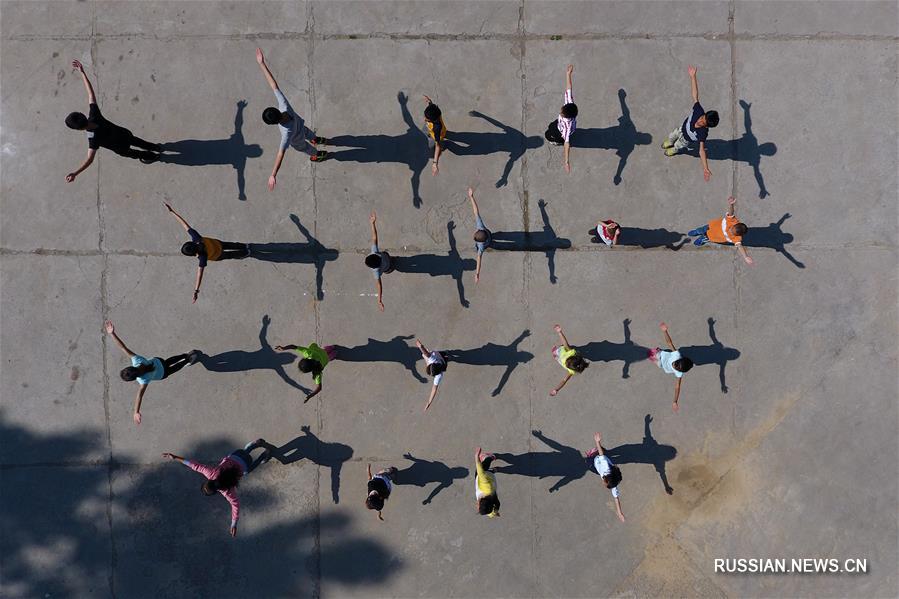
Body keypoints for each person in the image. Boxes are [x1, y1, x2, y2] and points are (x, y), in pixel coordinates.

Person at [65, 59, 160, 182]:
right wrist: (82, 72)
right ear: (83, 115)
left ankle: (152, 156)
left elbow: (89, 160)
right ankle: (156, 147)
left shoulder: (93, 139)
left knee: (136, 154)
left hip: (121, 148)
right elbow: (90, 94)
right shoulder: (95, 115)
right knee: (139, 142)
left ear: (78, 129)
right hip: (125, 134)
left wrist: (75, 173)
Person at [161, 439, 269, 538]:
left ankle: (263, 456)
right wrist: (175, 457)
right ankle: (254, 444)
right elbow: (194, 465)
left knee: (246, 471)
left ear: (216, 491)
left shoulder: (227, 491)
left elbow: (235, 506)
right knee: (245, 451)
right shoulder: (210, 472)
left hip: (246, 464)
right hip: (237, 455)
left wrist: (234, 524)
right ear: (209, 481)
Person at [255, 47, 327, 192]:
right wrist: (262, 64)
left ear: (273, 123)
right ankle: (316, 139)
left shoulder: (285, 133)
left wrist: (273, 174)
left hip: (297, 140)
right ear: (276, 109)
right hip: (303, 128)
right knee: (310, 134)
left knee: (307, 149)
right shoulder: (284, 106)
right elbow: (273, 84)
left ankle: (317, 155)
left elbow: (280, 154)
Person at [104, 320, 198, 425]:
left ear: (134, 378)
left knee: (175, 367)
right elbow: (123, 347)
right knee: (169, 361)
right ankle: (185, 355)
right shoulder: (137, 360)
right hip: (159, 361)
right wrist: (112, 334)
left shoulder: (143, 380)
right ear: (130, 367)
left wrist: (136, 412)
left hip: (163, 374)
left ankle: (187, 360)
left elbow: (139, 397)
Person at [165, 203, 249, 303]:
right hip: (218, 244)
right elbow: (184, 224)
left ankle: (245, 253)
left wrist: (196, 291)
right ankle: (245, 246)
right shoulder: (197, 238)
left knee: (231, 255)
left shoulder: (202, 257)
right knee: (231, 245)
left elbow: (199, 274)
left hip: (218, 255)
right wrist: (172, 212)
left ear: (192, 254)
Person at [661, 65, 719, 181]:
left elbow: (701, 150)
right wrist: (693, 77)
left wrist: (705, 168)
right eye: (702, 117)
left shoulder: (703, 134)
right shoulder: (698, 110)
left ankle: (674, 149)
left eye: (703, 122)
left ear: (707, 126)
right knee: (672, 136)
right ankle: (670, 141)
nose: (700, 120)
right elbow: (695, 95)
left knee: (678, 145)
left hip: (686, 140)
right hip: (681, 129)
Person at [688, 196, 754, 265]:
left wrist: (745, 256)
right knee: (702, 229)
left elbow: (740, 247)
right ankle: (697, 231)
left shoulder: (737, 239)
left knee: (707, 238)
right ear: (735, 224)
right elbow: (731, 212)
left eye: (733, 233)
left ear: (738, 235)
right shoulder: (732, 220)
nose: (730, 231)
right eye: (732, 229)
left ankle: (702, 238)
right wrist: (731, 204)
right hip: (711, 227)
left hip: (714, 237)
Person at [649, 322, 694, 412]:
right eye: (676, 363)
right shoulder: (676, 355)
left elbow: (677, 386)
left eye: (676, 367)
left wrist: (675, 401)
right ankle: (658, 351)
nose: (674, 365)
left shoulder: (679, 373)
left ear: (680, 371)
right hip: (662, 355)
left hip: (662, 365)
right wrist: (665, 331)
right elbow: (669, 343)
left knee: (657, 363)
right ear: (680, 359)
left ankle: (655, 359)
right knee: (653, 353)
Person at [273, 342, 337, 402]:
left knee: (328, 357)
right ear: (305, 359)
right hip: (319, 351)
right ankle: (331, 347)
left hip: (325, 360)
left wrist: (311, 395)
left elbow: (319, 387)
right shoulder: (308, 353)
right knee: (321, 349)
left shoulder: (317, 371)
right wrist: (283, 348)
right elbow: (294, 346)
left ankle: (334, 353)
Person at [585, 432, 625, 522]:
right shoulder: (605, 466)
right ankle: (591, 453)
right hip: (596, 460)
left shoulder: (613, 484)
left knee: (594, 468)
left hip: (598, 468)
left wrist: (619, 512)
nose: (604, 485)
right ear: (607, 480)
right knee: (589, 460)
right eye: (605, 484)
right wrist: (597, 442)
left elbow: (616, 498)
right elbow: (601, 455)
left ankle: (596, 453)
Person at [544, 65, 577, 173]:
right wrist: (568, 74)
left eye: (562, 113)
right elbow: (569, 88)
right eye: (562, 110)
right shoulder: (569, 103)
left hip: (560, 132)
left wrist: (566, 162)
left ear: (567, 116)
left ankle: (556, 142)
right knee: (550, 126)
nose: (560, 112)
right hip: (558, 124)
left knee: (549, 136)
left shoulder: (568, 128)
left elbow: (567, 144)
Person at [364, 210, 393, 311]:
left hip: (388, 268)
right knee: (387, 255)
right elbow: (374, 237)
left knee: (389, 269)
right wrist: (372, 223)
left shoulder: (376, 272)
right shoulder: (374, 252)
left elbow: (379, 286)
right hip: (387, 257)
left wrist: (379, 300)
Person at [549, 324, 588, 396]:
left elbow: (564, 380)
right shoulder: (570, 352)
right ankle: (556, 352)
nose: (566, 364)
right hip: (561, 351)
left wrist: (556, 389)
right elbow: (565, 343)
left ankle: (555, 354)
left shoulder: (571, 371)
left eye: (567, 365)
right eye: (567, 362)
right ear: (571, 357)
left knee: (556, 356)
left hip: (560, 357)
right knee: (560, 348)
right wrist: (560, 332)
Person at [468, 187, 493, 283]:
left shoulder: (481, 246)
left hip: (489, 242)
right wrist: (471, 197)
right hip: (488, 235)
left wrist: (477, 273)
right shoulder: (481, 227)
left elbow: (479, 259)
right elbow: (476, 211)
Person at [416, 339, 447, 411]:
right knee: (424, 355)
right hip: (441, 358)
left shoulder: (439, 376)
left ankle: (446, 354)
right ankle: (445, 354)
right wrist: (420, 346)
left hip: (441, 359)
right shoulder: (432, 359)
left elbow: (434, 389)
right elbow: (426, 353)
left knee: (424, 355)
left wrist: (429, 402)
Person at [422, 95, 446, 175]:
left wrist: (435, 162)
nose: (424, 118)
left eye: (426, 118)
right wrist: (429, 100)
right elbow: (431, 105)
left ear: (432, 120)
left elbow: (437, 145)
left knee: (435, 145)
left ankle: (443, 147)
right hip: (439, 130)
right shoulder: (434, 110)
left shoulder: (436, 128)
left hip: (439, 134)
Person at [474, 447, 500, 518]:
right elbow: (480, 472)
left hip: (490, 480)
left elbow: (491, 513)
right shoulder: (486, 488)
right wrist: (477, 457)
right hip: (486, 476)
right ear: (481, 502)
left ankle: (493, 470)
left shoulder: (493, 502)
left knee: (482, 473)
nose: (477, 506)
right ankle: (490, 457)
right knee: (484, 465)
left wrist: (496, 513)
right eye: (478, 507)